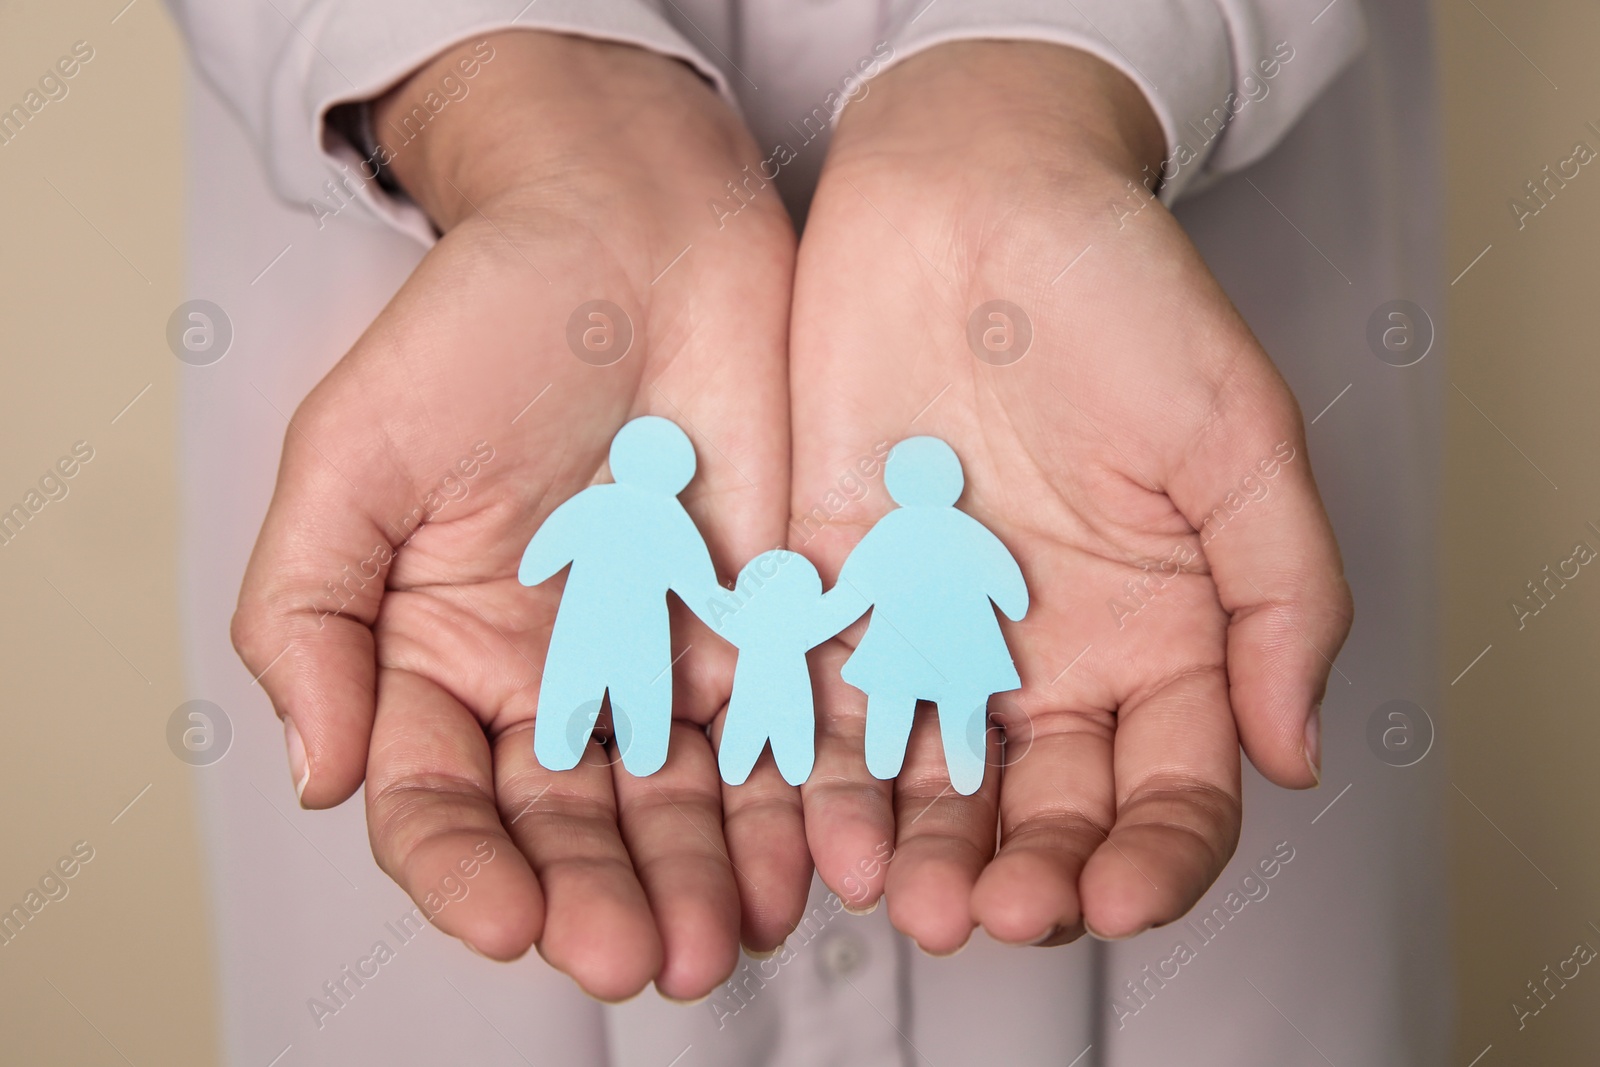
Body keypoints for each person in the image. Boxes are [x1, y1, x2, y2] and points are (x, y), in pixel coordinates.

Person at [171, 1, 1450, 1064]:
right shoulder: (698, 528)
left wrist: (1047, 88)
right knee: (625, 736)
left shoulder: (732, 532)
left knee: (821, 719)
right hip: (477, 428)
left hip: (1133, 377)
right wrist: (509, 100)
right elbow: (665, 575)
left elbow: (793, 583)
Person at [518, 415, 719, 776]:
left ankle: (560, 748)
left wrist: (534, 568)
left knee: (575, 676)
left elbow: (538, 561)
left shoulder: (596, 502)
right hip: (643, 632)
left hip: (584, 621)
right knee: (640, 686)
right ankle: (642, 753)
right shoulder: (674, 522)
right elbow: (703, 591)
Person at [836, 436, 1027, 796]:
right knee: (961, 700)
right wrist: (1014, 604)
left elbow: (854, 587)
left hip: (898, 645)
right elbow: (1006, 583)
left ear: (895, 483)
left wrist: (822, 617)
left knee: (891, 692)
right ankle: (962, 772)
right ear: (952, 481)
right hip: (964, 646)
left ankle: (883, 761)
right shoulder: (968, 530)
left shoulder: (891, 530)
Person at [709, 548, 867, 787]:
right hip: (778, 696)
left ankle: (768, 765)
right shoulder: (807, 622)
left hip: (770, 696)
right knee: (773, 737)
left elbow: (703, 595)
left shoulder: (739, 620)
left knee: (771, 736)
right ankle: (774, 765)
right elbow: (848, 602)